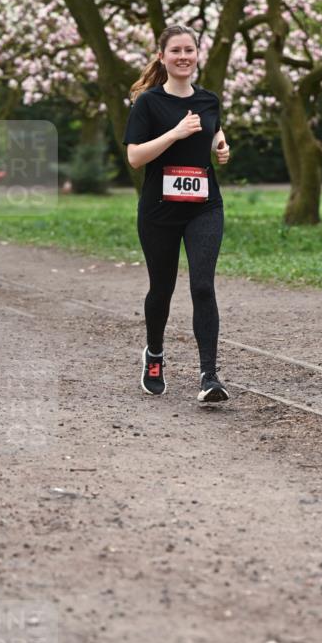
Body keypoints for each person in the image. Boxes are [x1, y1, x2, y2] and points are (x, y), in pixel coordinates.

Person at [123, 24, 231, 404]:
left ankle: (209, 376)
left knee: (202, 285)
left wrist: (220, 144)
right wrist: (175, 134)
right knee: (162, 289)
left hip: (204, 207)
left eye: (190, 50)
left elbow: (214, 129)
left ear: (197, 55)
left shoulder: (208, 100)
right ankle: (154, 355)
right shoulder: (148, 104)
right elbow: (135, 157)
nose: (183, 56)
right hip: (159, 211)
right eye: (176, 51)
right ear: (162, 57)